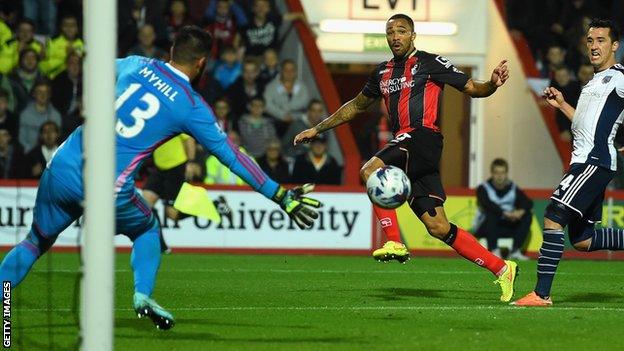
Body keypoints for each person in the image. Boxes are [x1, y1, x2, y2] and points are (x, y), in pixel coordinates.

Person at [0, 26, 321, 330]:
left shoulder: (138, 64)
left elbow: (97, 66)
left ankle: (2, 307)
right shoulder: (190, 105)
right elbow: (232, 157)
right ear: (201, 63)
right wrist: (279, 195)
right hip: (105, 187)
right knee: (147, 228)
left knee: (35, 241)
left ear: (171, 50)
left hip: (63, 164)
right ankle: (141, 295)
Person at [294, 14, 517, 302]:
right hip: (409, 148)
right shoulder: (382, 72)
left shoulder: (429, 62)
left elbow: (472, 88)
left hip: (423, 137)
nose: (395, 36)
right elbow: (356, 106)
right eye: (390, 32)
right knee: (438, 227)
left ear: (413, 35)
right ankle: (502, 268)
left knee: (370, 169)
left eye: (401, 31)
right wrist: (317, 127)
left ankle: (394, 242)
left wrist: (492, 84)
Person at [513, 19, 624, 307]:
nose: (594, 46)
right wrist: (562, 104)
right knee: (583, 240)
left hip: (594, 161)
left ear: (615, 46)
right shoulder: (593, 82)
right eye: (590, 40)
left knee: (553, 216)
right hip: (585, 161)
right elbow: (585, 124)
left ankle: (541, 294)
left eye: (601, 40)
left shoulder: (620, 77)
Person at [475, 158, 533, 260]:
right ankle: (494, 250)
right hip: (486, 226)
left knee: (527, 215)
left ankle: (515, 251)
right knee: (492, 214)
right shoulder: (483, 188)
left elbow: (528, 202)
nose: (500, 176)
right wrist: (505, 213)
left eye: (502, 172)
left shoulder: (512, 188)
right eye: (496, 172)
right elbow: (487, 204)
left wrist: (520, 211)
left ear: (506, 173)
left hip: (506, 225)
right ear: (492, 173)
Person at [263, 59, 309, 136]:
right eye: (286, 70)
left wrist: (288, 112)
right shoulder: (271, 87)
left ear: (296, 71)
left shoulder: (302, 87)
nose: (289, 73)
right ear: (281, 71)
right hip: (276, 122)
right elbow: (267, 105)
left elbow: (305, 103)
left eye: (292, 70)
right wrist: (282, 115)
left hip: (297, 121)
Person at [18, 79, 61, 152]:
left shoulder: (56, 116)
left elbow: (57, 140)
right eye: (39, 92)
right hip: (30, 156)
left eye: (46, 92)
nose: (43, 95)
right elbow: (22, 140)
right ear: (34, 94)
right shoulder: (25, 115)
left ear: (49, 95)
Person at [39, 14, 84, 79]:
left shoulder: (83, 45)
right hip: (54, 80)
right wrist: (66, 57)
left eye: (72, 26)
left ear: (77, 28)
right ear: (62, 28)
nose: (69, 29)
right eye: (66, 26)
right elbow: (43, 68)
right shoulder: (52, 43)